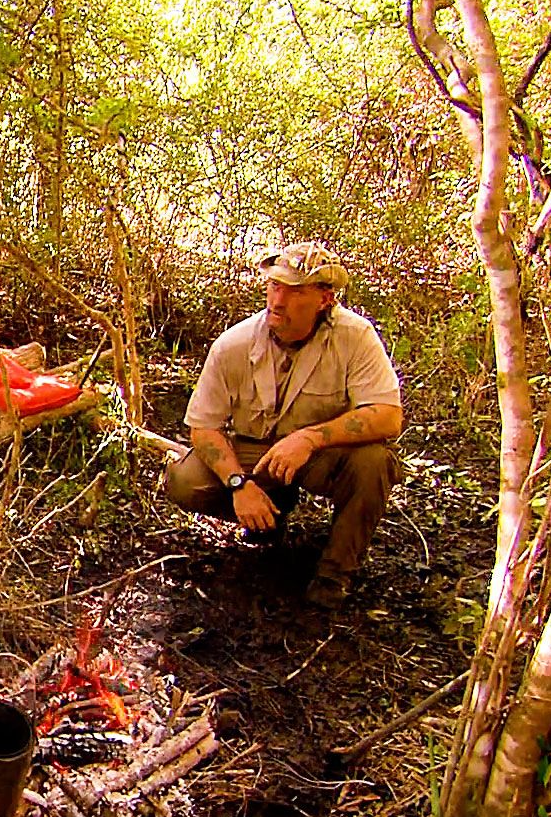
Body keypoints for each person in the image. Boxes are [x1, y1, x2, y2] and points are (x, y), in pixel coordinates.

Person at [162, 243, 404, 608]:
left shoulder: (355, 337)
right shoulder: (235, 344)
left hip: (319, 454)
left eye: (296, 292)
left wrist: (310, 439)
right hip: (255, 452)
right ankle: (270, 510)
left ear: (325, 299)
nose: (278, 300)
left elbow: (387, 416)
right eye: (275, 286)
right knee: (184, 481)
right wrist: (238, 484)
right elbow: (204, 428)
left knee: (374, 462)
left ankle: (334, 572)